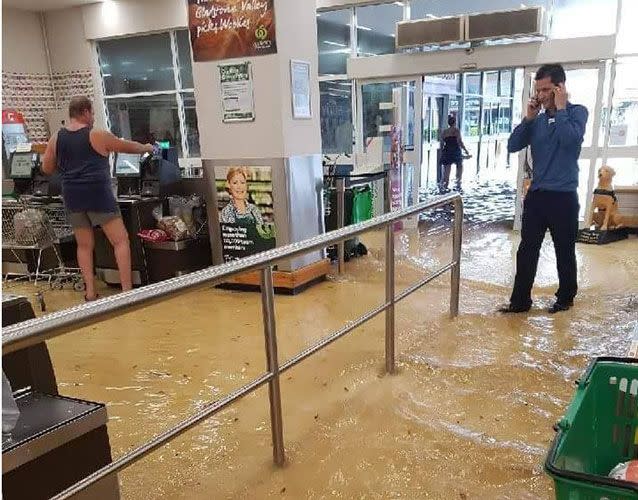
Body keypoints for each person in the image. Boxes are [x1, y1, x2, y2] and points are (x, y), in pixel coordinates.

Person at [42, 96, 154, 301]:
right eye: (92, 112)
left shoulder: (56, 138)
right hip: (97, 195)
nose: (93, 116)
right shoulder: (97, 134)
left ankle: (90, 293)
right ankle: (127, 292)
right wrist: (147, 147)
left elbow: (47, 168)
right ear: (85, 112)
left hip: (72, 197)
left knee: (84, 245)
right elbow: (126, 146)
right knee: (120, 241)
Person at [500, 64, 588, 314]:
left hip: (564, 197)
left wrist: (560, 108)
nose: (541, 95)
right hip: (537, 196)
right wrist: (528, 119)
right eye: (538, 90)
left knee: (564, 250)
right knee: (527, 250)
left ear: (560, 88)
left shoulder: (577, 113)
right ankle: (519, 302)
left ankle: (565, 299)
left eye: (547, 89)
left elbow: (570, 140)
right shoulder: (536, 122)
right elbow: (513, 145)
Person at [439, 115, 470, 191]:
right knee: (459, 166)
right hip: (455, 150)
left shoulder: (444, 132)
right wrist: (466, 150)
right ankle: (458, 182)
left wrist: (442, 152)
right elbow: (459, 142)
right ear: (454, 123)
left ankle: (446, 185)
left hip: (447, 151)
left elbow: (442, 143)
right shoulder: (456, 131)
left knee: (447, 170)